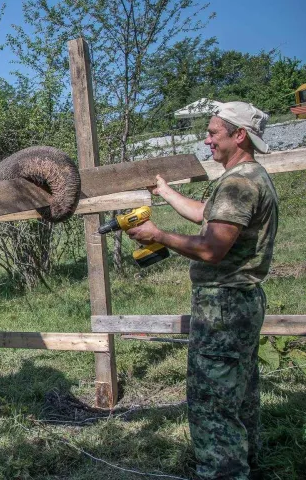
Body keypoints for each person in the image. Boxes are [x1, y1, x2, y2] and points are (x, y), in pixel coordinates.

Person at [127, 101, 278, 480]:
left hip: (224, 305)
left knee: (212, 402)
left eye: (213, 132)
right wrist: (164, 191)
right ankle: (246, 464)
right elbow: (205, 214)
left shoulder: (239, 183)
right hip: (240, 302)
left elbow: (212, 248)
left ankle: (222, 472)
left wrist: (157, 235)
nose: (207, 139)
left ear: (239, 135)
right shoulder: (249, 177)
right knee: (238, 393)